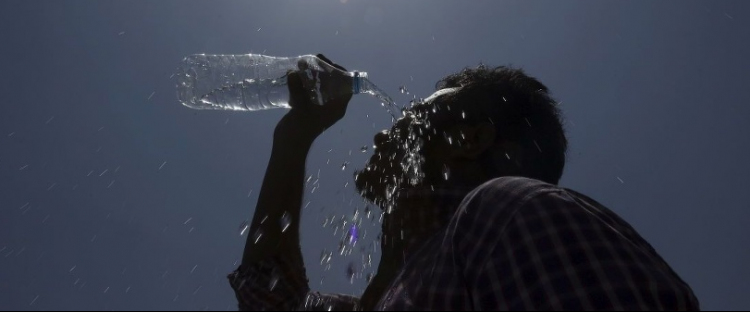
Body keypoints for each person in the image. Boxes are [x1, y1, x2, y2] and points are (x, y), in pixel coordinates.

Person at [229, 55, 699, 311]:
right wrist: (294, 136)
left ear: (470, 139)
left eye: (414, 116)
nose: (382, 133)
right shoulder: (394, 291)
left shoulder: (512, 214)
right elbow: (271, 299)